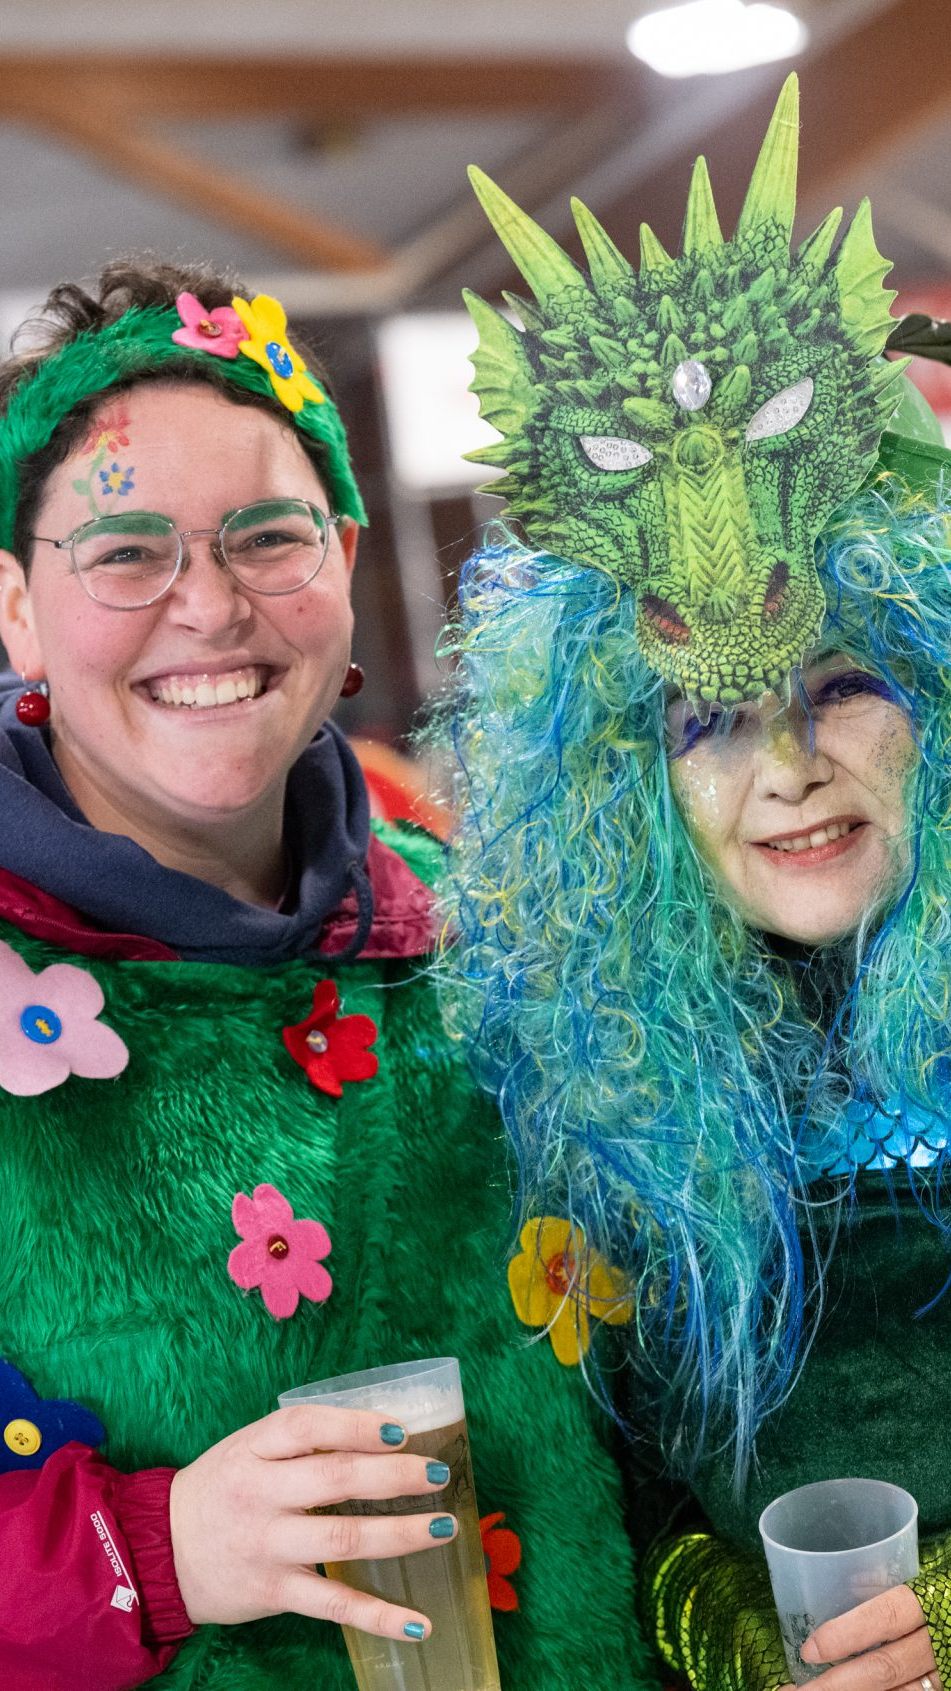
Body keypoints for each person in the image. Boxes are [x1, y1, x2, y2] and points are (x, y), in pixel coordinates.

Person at [0, 262, 647, 1688]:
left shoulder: (501, 940)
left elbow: (654, 1407)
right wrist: (153, 1554)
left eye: (267, 539)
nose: (211, 607)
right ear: (17, 608)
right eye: (123, 551)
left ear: (343, 562)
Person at [441, 71, 951, 1691]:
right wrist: (734, 1636)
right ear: (625, 777)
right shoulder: (606, 1089)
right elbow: (635, 1502)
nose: (789, 765)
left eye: (845, 685)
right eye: (711, 722)